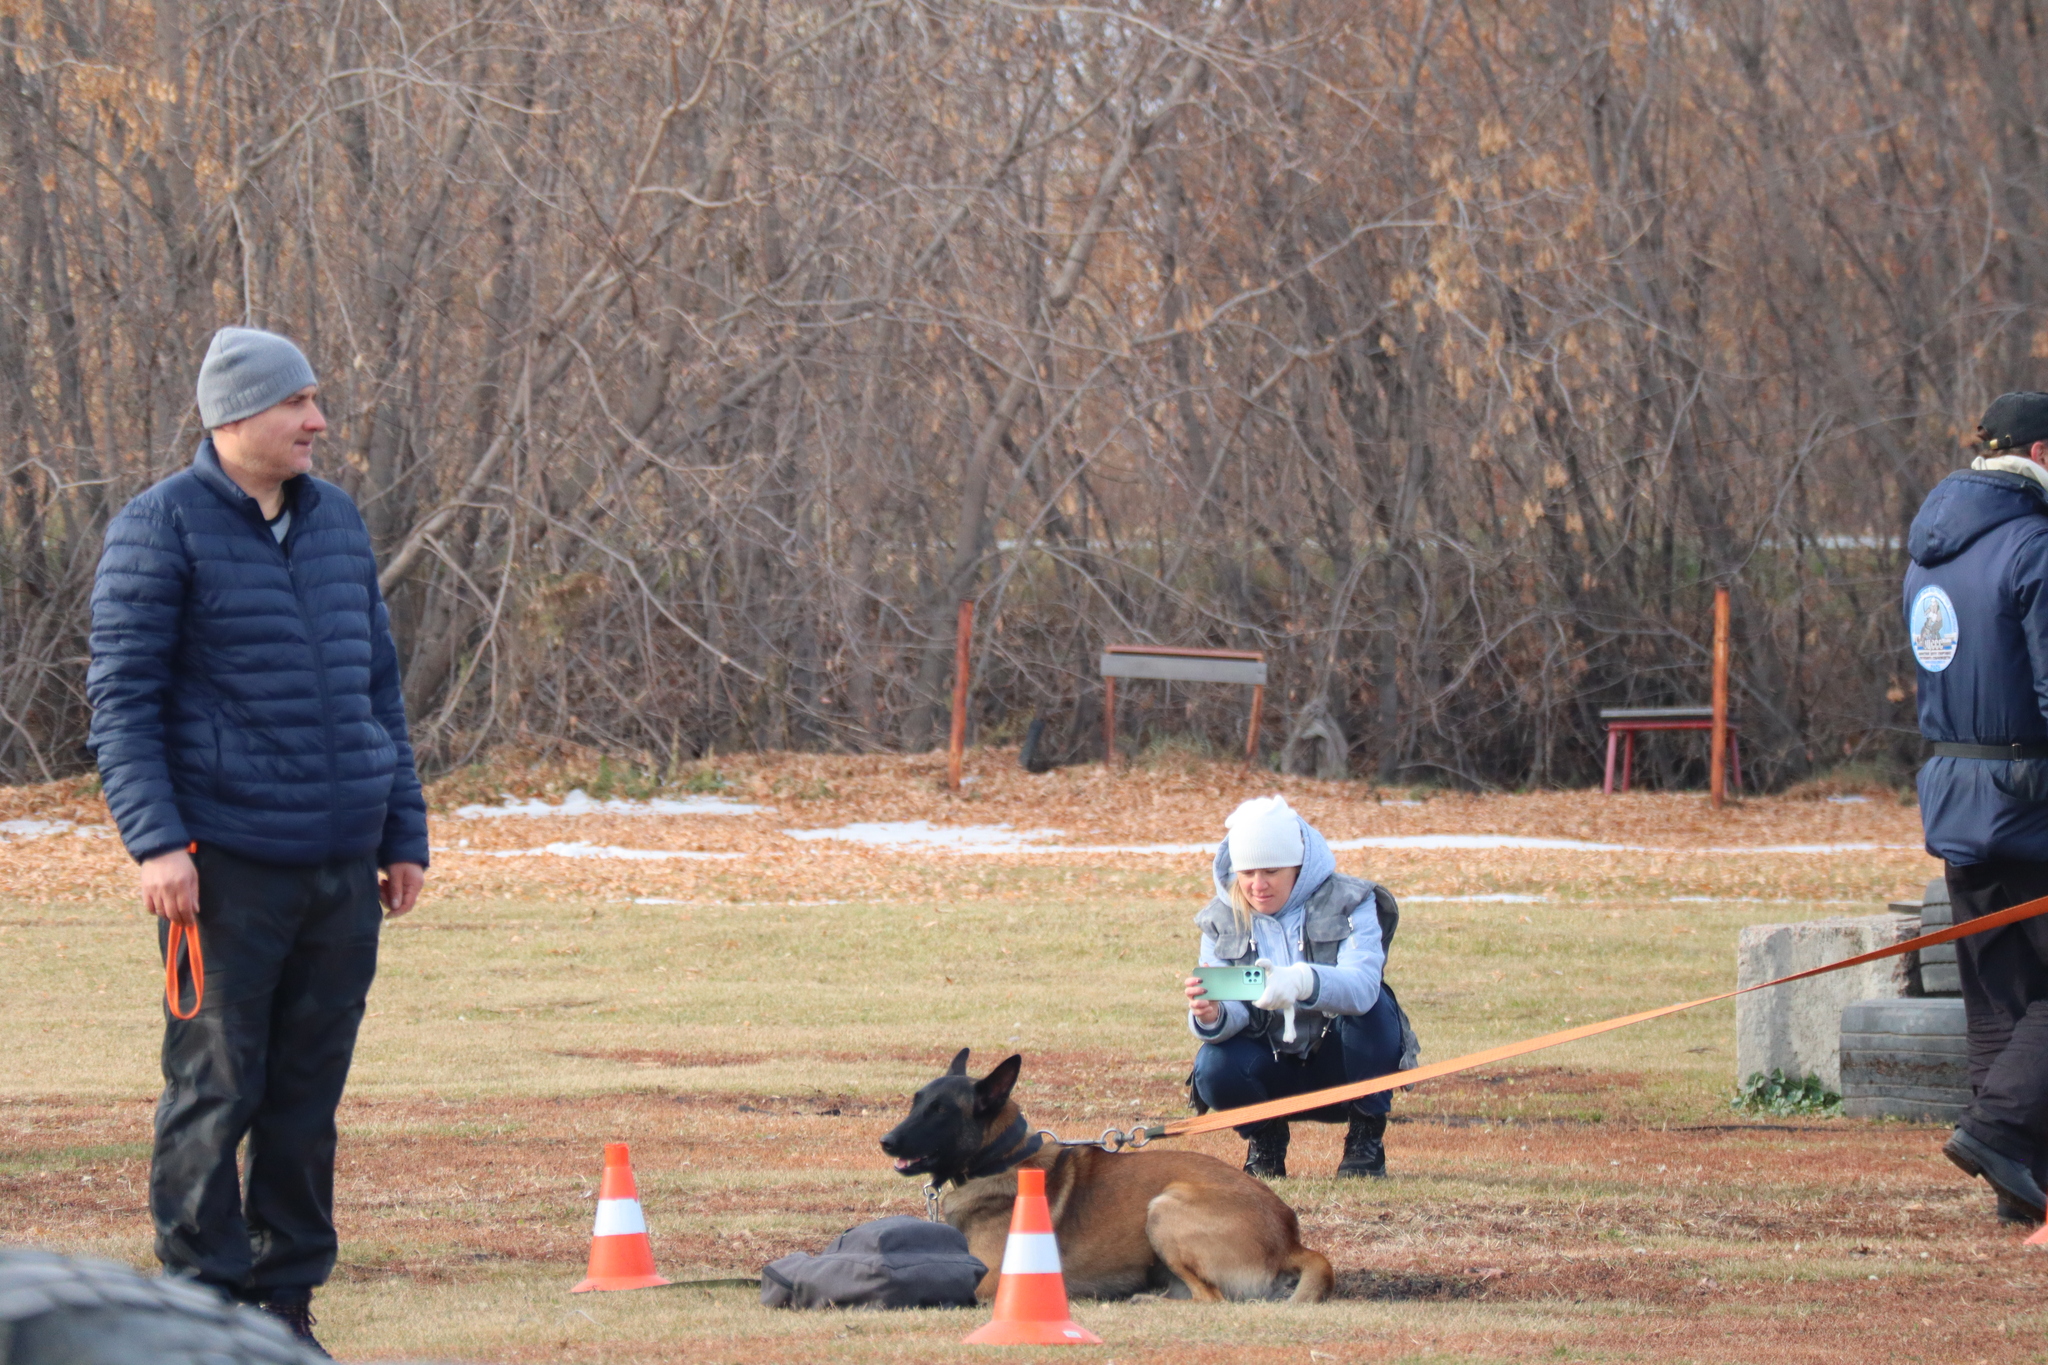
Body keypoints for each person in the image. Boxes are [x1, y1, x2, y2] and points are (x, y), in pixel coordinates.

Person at [86, 326, 430, 1352]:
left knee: (305, 1098)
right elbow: (121, 704)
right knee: (217, 1088)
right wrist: (156, 845)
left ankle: (285, 1311)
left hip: (340, 867)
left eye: (316, 402)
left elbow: (378, 690)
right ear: (235, 416)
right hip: (224, 867)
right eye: (299, 405)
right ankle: (200, 1311)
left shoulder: (336, 523)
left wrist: (401, 829)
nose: (318, 421)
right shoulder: (161, 528)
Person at [1905, 389, 2048, 1227]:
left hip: (1957, 796)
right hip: (2032, 801)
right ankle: (1997, 1131)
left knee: (2003, 997)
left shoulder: (1932, 550)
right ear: (2038, 455)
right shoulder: (2035, 545)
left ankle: (2018, 1194)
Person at [1181, 795, 1417, 1179]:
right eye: (1247, 873)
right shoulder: (1219, 919)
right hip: (1270, 1063)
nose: (1258, 885)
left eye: (1271, 871)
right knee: (1212, 1066)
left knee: (1375, 1006)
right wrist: (1212, 1015)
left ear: (1298, 866)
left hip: (1342, 1063)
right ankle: (1265, 1139)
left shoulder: (1353, 901)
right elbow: (1232, 1008)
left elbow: (1360, 988)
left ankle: (1364, 1141)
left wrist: (1302, 981)